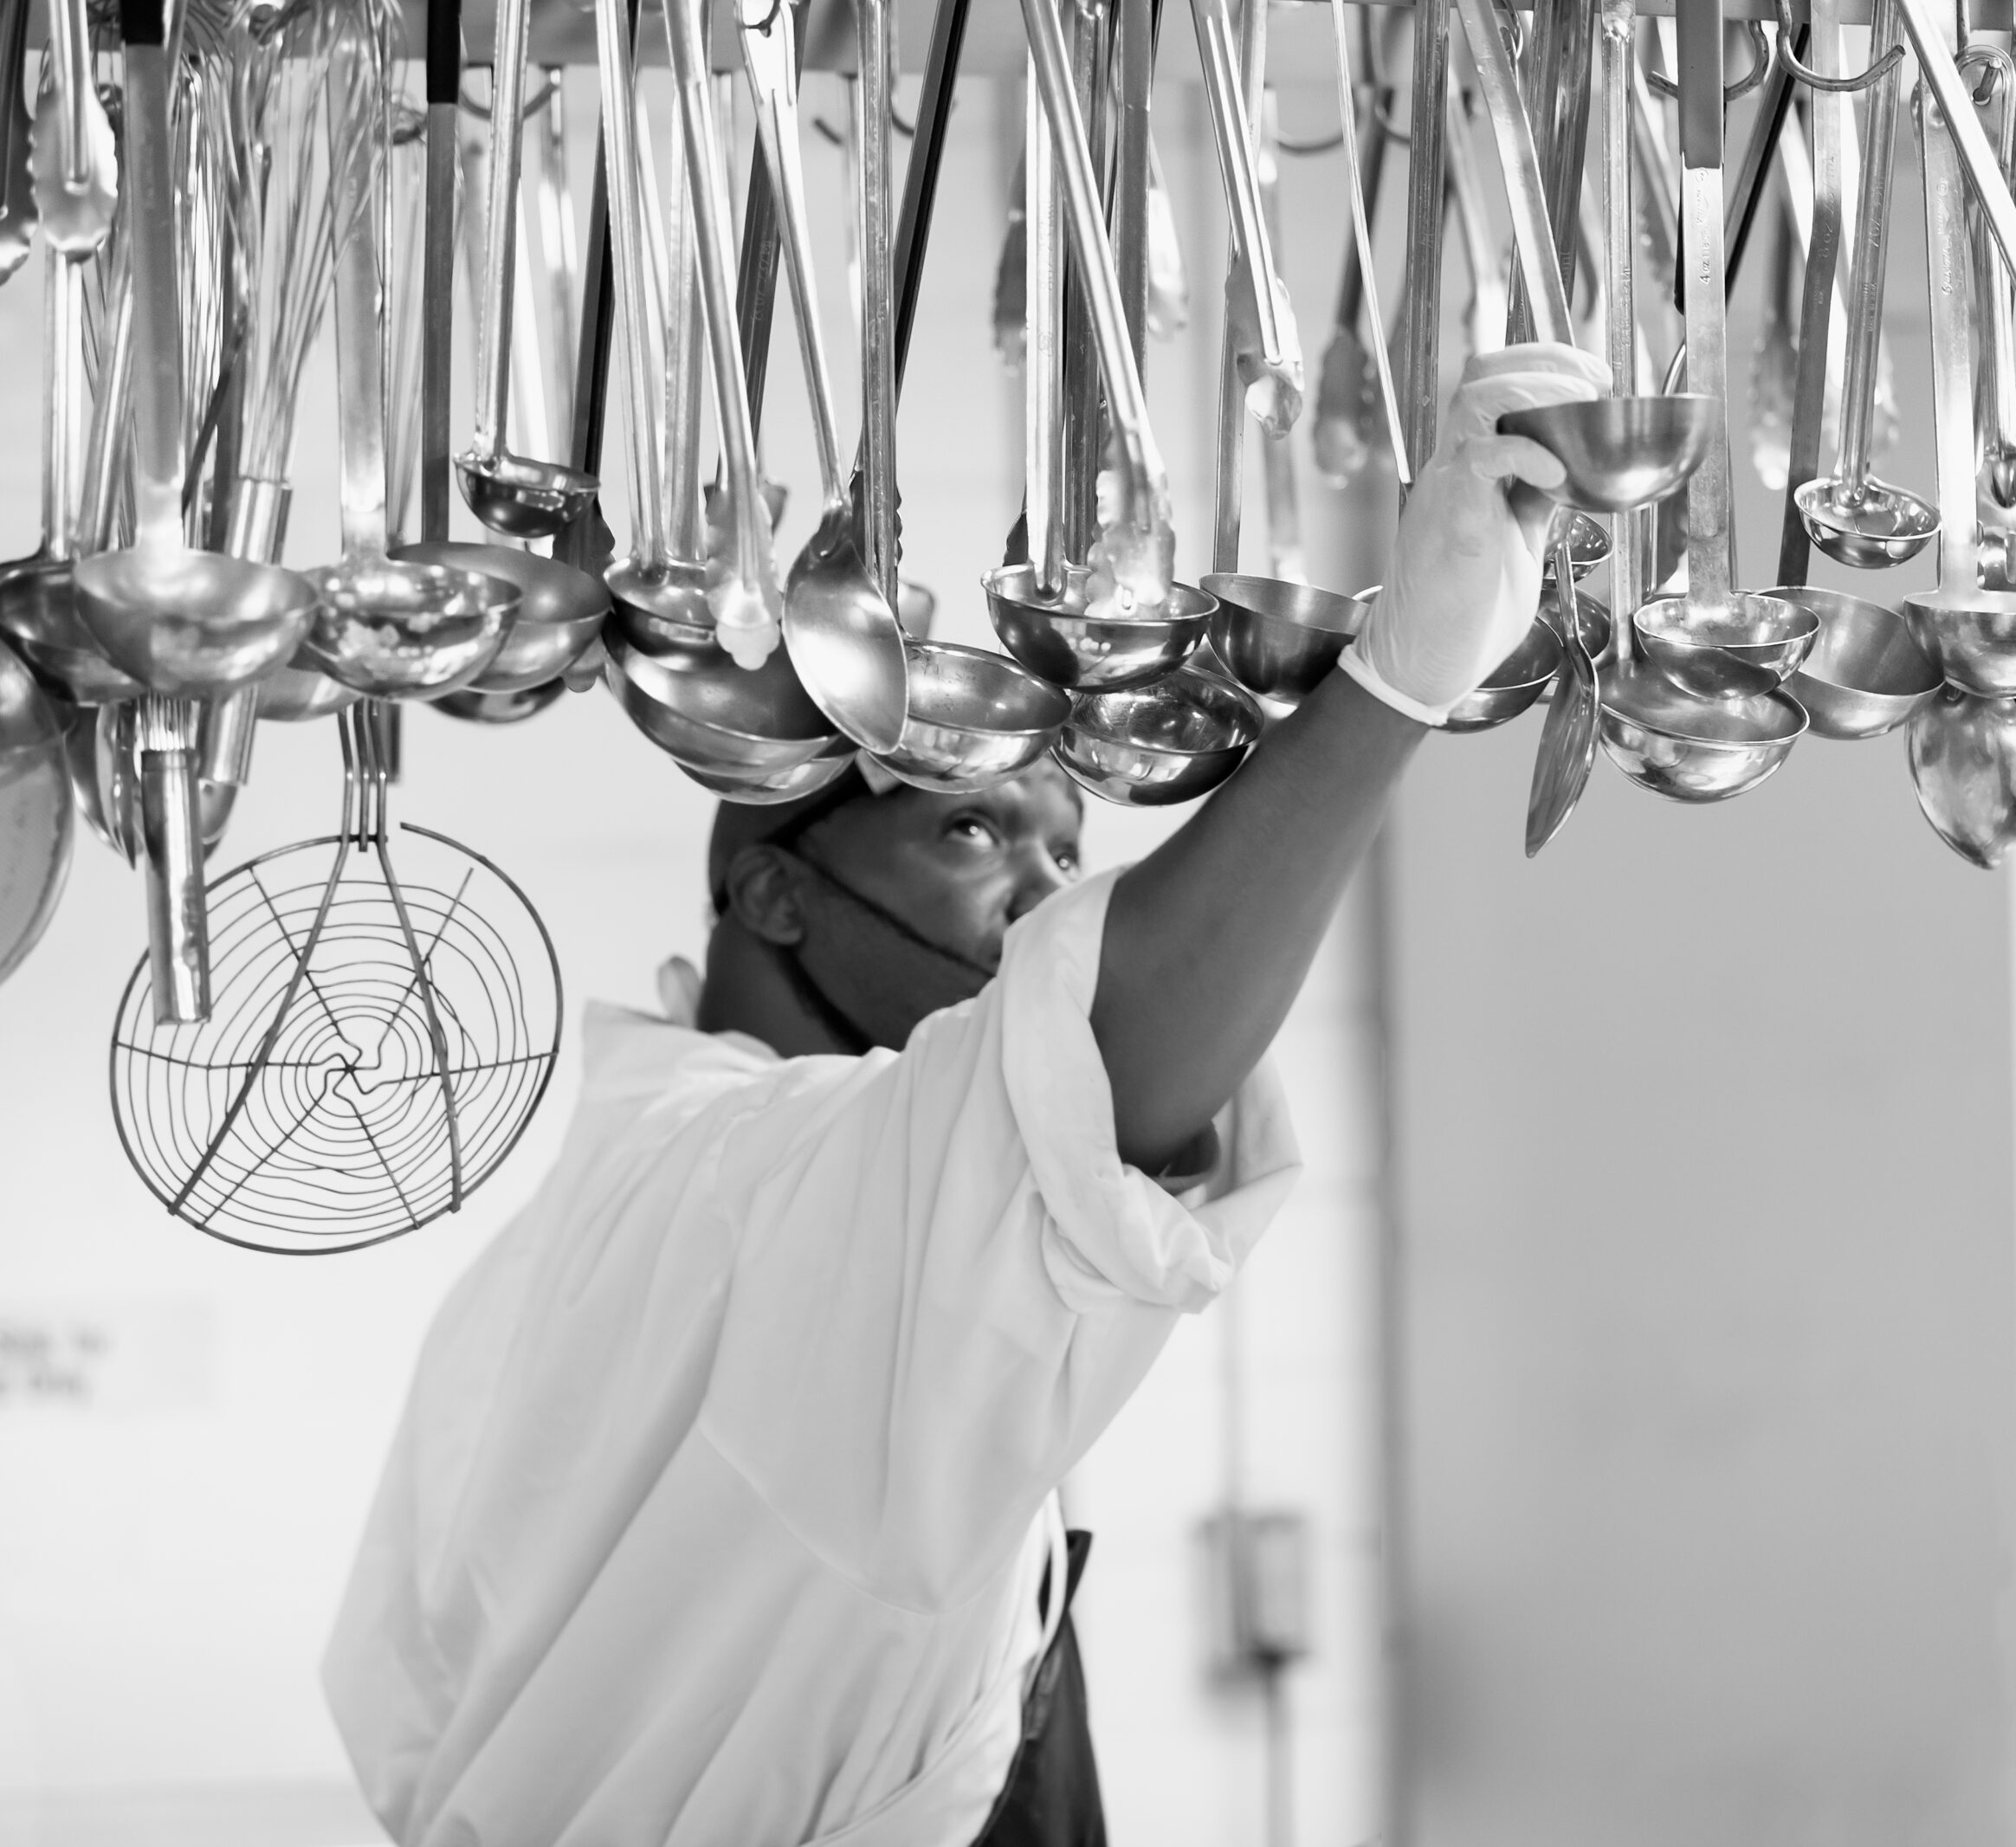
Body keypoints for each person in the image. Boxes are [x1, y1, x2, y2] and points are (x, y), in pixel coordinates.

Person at [322, 341, 1608, 1847]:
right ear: (773, 893)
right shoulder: (747, 1187)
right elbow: (1089, 1073)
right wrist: (1392, 688)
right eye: (970, 833)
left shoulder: (655, 1179)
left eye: (1064, 846)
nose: (1043, 893)